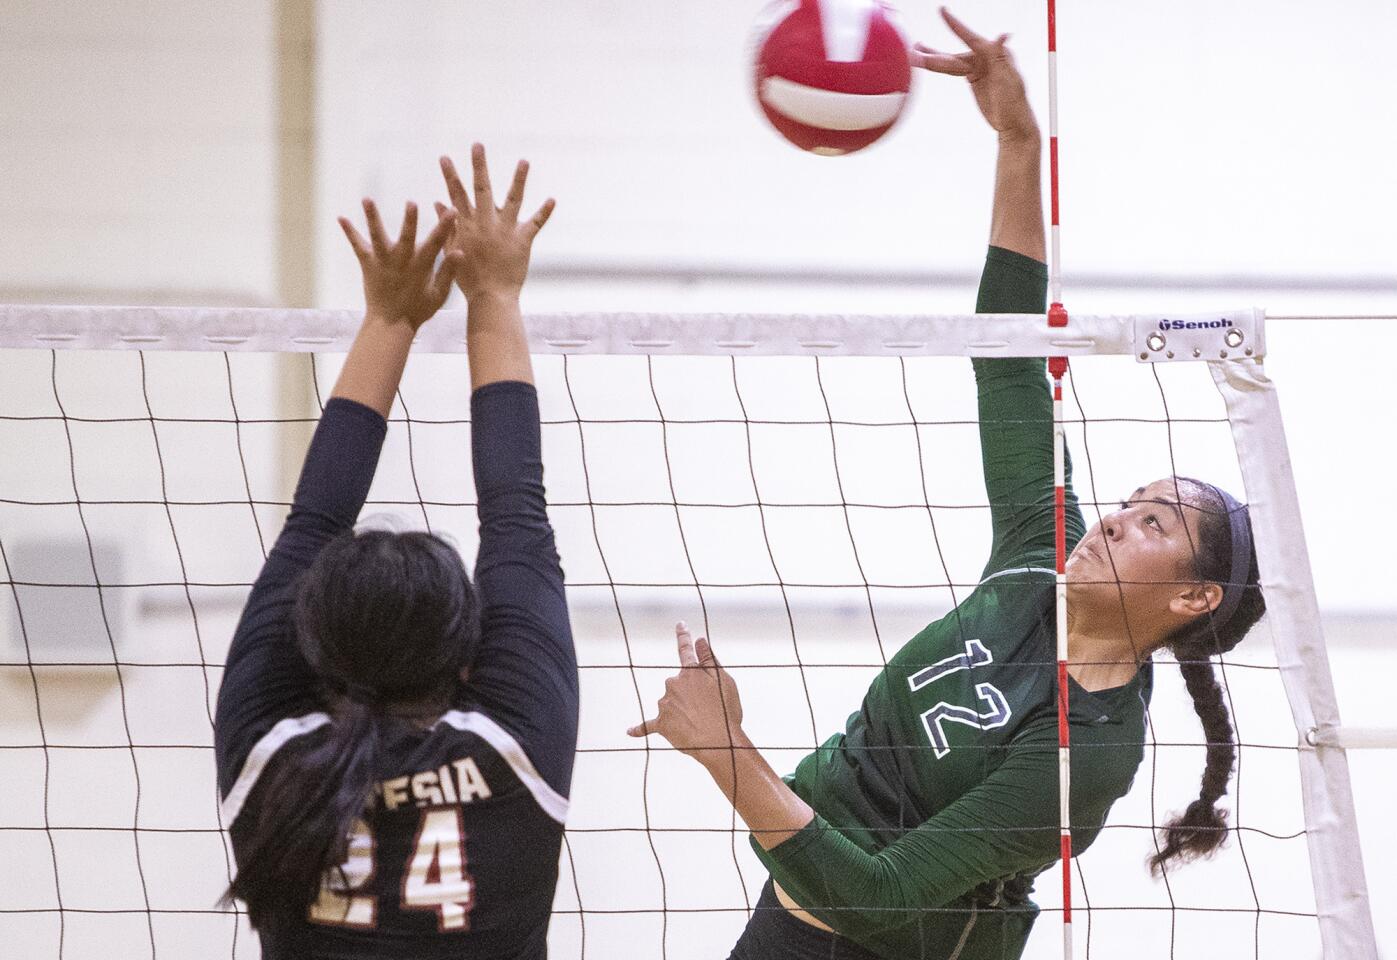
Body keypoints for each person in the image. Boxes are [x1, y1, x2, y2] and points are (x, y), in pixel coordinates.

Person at [628, 11, 1266, 960]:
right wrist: (1017, 141)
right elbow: (1006, 364)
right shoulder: (1036, 562)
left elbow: (877, 900)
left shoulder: (1086, 750)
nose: (1114, 522)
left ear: (1191, 595)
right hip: (788, 923)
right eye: (1127, 502)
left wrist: (724, 748)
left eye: (1151, 523)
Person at [214, 145, 575, 959]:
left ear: (313, 639)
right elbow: (515, 513)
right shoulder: (513, 748)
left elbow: (313, 522)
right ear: (466, 654)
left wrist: (391, 318)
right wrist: (490, 295)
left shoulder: (269, 754)